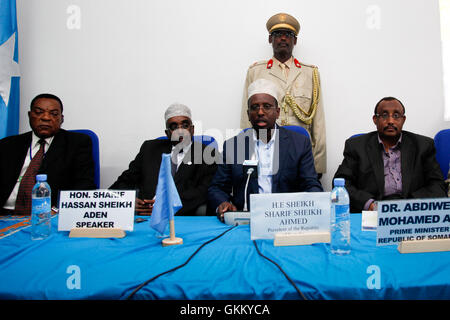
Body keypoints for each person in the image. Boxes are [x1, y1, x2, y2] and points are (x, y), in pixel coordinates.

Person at [209, 79, 323, 222]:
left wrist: (314, 203)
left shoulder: (299, 143)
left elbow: (311, 184)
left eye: (267, 106)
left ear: (277, 112)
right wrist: (222, 203)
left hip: (287, 219)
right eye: (254, 107)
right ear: (248, 114)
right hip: (246, 219)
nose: (260, 112)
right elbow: (217, 188)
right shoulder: (233, 146)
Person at [239, 12, 326, 177]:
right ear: (270, 39)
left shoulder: (310, 73)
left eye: (288, 35)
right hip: (264, 150)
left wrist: (318, 164)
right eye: (278, 34)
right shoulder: (256, 72)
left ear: (295, 41)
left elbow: (319, 122)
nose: (283, 38)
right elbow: (247, 118)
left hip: (300, 152)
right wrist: (247, 156)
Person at [333, 97, 448, 213]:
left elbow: (438, 186)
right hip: (373, 213)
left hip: (411, 214)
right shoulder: (356, 146)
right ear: (375, 119)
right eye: (384, 115)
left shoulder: (423, 146)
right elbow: (341, 184)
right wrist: (369, 204)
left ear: (403, 120)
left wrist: (409, 206)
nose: (391, 121)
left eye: (396, 116)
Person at [110, 103, 217, 216]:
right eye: (174, 127)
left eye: (185, 125)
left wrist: (167, 207)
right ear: (167, 133)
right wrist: (127, 201)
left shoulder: (207, 154)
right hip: (143, 215)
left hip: (178, 217)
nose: (180, 130)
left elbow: (203, 191)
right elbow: (124, 181)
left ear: (192, 129)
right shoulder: (149, 149)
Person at [0, 93, 96, 215]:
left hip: (48, 215)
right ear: (30, 115)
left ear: (62, 119)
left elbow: (85, 185)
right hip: (4, 213)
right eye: (39, 112)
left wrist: (57, 209)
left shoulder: (77, 143)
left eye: (54, 114)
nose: (46, 117)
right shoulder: (7, 145)